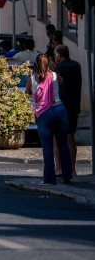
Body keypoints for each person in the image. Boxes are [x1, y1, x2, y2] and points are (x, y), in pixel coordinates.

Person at [27, 53, 73, 185]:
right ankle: (67, 175)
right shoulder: (54, 75)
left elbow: (28, 92)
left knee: (47, 148)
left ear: (36, 64)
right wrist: (52, 69)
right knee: (63, 144)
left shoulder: (32, 78)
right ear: (49, 64)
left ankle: (49, 179)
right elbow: (62, 82)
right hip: (59, 110)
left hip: (43, 114)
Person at [54, 45, 81, 176]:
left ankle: (59, 168)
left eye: (55, 54)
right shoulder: (76, 65)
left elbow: (59, 83)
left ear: (59, 55)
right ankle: (72, 169)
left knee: (57, 137)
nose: (55, 56)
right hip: (74, 105)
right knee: (70, 136)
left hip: (62, 104)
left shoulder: (60, 68)